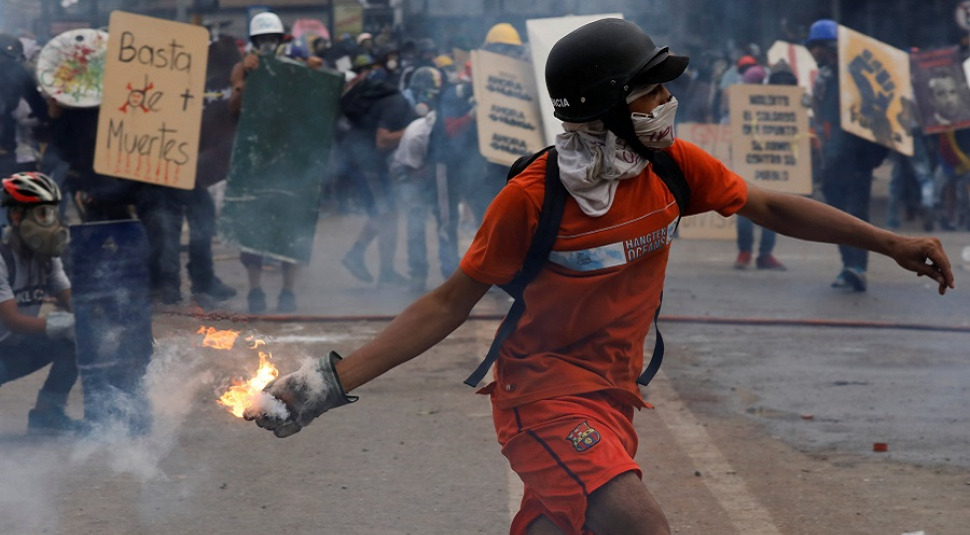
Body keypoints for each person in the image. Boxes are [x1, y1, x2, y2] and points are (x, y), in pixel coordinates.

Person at [244, 19, 954, 535]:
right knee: (640, 524)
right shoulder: (532, 197)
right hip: (544, 395)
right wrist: (328, 381)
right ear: (604, 105)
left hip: (616, 391)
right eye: (647, 93)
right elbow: (446, 303)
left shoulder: (672, 165)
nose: (664, 105)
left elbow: (768, 203)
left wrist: (888, 241)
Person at [806, 19, 890, 292]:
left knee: (852, 215)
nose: (814, 54)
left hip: (853, 160)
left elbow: (877, 116)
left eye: (817, 47)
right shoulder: (828, 78)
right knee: (841, 217)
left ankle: (856, 268)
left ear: (829, 47)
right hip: (839, 161)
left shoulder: (851, 77)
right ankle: (850, 266)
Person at [229, 11, 304, 313]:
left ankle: (288, 292)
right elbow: (233, 109)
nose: (268, 44)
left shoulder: (294, 68)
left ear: (281, 40)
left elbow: (311, 106)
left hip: (289, 158)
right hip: (255, 159)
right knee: (252, 226)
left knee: (291, 224)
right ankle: (255, 290)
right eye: (262, 40)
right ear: (254, 42)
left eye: (272, 39)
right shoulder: (242, 68)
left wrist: (312, 73)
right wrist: (246, 78)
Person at [0, 172, 81, 433]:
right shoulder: (2, 257)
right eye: (43, 214)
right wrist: (60, 323)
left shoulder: (45, 255)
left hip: (13, 351)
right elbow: (12, 321)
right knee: (68, 330)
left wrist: (90, 319)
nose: (52, 223)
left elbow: (68, 296)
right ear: (16, 217)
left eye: (52, 214)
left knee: (77, 341)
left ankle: (46, 415)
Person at [338, 52, 415, 287]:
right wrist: (413, 129)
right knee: (385, 213)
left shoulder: (378, 97)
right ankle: (357, 255)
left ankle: (385, 270)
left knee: (388, 213)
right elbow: (383, 140)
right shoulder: (396, 102)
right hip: (368, 164)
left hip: (366, 161)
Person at [391, 67, 460, 293]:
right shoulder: (416, 133)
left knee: (445, 221)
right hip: (410, 173)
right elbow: (413, 171)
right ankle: (418, 276)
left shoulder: (438, 125)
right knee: (416, 223)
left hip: (431, 170)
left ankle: (450, 276)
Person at [734, 62, 787, 271]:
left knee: (772, 207)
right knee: (746, 204)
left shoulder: (791, 102)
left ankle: (765, 254)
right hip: (750, 156)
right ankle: (745, 251)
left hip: (775, 159)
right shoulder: (746, 98)